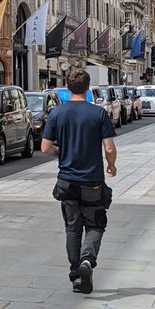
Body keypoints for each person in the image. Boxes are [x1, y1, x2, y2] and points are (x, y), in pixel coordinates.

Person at [41, 67, 116, 295]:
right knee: (95, 224)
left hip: (66, 180)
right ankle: (87, 260)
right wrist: (111, 165)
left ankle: (76, 274)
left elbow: (45, 147)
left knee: (72, 228)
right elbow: (109, 147)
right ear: (88, 88)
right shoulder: (98, 113)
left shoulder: (57, 114)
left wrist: (61, 154)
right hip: (92, 180)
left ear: (67, 86)